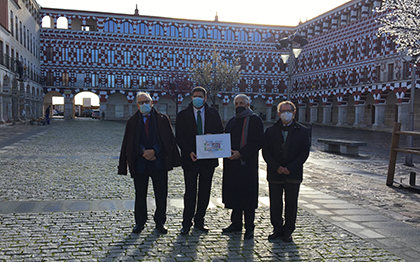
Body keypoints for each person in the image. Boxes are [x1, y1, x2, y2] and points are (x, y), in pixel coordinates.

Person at [118, 92, 181, 234]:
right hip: (140, 163)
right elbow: (129, 142)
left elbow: (168, 139)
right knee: (140, 194)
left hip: (159, 163)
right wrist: (143, 152)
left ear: (152, 103)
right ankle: (140, 222)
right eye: (141, 102)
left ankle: (160, 222)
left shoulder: (162, 119)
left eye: (146, 101)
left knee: (161, 194)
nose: (144, 104)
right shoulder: (132, 121)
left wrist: (154, 151)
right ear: (137, 105)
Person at [175, 86, 223, 235]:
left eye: (200, 96)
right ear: (191, 98)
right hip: (191, 159)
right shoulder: (183, 115)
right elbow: (179, 137)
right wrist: (189, 151)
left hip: (208, 160)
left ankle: (200, 221)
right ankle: (186, 223)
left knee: (204, 191)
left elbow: (220, 133)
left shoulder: (214, 114)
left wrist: (212, 136)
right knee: (190, 192)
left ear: (205, 98)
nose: (197, 99)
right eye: (195, 96)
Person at [262, 101, 310, 242]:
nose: (286, 114)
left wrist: (291, 167)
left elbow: (304, 152)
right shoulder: (270, 131)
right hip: (275, 173)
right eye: (283, 111)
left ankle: (288, 230)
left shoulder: (302, 131)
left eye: (289, 111)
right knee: (275, 203)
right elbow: (266, 152)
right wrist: (277, 167)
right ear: (278, 113)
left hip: (293, 173)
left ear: (294, 113)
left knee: (291, 203)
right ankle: (277, 228)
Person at [222, 94, 264, 240]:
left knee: (248, 197)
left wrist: (241, 153)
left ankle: (249, 227)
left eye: (241, 103)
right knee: (235, 195)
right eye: (236, 103)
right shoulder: (232, 121)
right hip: (232, 164)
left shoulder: (255, 120)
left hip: (247, 165)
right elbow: (225, 139)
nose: (239, 105)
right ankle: (236, 223)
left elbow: (257, 142)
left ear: (248, 104)